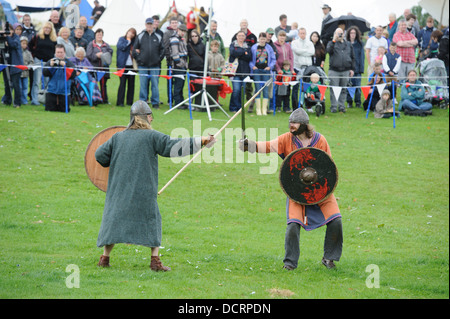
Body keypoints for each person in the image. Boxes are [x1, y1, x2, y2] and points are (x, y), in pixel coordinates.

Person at [95, 101, 216, 270]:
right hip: (143, 191)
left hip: (119, 190)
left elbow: (100, 155)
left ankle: (105, 258)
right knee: (152, 220)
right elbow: (174, 146)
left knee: (114, 220)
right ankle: (155, 261)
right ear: (146, 118)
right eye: (151, 116)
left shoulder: (118, 137)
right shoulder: (152, 137)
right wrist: (201, 140)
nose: (152, 120)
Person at [238, 107, 343, 270]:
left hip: (320, 189)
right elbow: (266, 146)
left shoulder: (320, 140)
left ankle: (329, 258)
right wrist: (248, 145)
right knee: (293, 225)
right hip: (296, 191)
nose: (291, 125)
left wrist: (326, 190)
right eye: (290, 122)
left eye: (294, 123)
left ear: (304, 125)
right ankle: (290, 263)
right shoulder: (286, 139)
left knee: (336, 220)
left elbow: (328, 167)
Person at [133, 18, 164, 108]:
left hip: (155, 66)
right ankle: (142, 103)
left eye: (151, 24)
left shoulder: (158, 36)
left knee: (155, 85)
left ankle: (155, 103)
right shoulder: (140, 36)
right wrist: (139, 59)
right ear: (145, 25)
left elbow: (163, 49)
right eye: (148, 24)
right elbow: (134, 50)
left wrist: (158, 59)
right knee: (143, 85)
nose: (149, 26)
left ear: (153, 25)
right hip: (143, 66)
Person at [29, 21, 57, 105]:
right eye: (46, 28)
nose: (47, 30)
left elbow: (55, 50)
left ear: (51, 29)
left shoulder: (54, 39)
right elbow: (30, 46)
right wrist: (34, 55)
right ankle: (35, 99)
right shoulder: (37, 37)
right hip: (38, 60)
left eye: (49, 28)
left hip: (48, 62)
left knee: (47, 81)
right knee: (36, 81)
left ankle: (45, 99)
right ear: (43, 28)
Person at [327, 28, 355, 113]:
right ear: (335, 34)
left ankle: (342, 106)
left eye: (341, 33)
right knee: (334, 89)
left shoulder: (349, 44)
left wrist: (352, 69)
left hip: (345, 70)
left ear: (344, 34)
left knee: (343, 89)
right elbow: (329, 51)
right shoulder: (331, 43)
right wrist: (334, 40)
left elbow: (353, 57)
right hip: (334, 70)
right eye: (338, 33)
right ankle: (334, 106)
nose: (340, 35)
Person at [43, 44, 76, 112]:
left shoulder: (69, 63)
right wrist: (51, 66)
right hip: (51, 91)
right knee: (49, 110)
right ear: (55, 53)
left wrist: (65, 66)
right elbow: (45, 73)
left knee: (64, 110)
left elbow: (73, 75)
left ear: (64, 53)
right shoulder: (50, 61)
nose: (59, 54)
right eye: (58, 52)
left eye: (61, 52)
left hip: (64, 92)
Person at [249, 32, 276, 116]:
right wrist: (252, 66)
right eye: (261, 39)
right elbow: (250, 59)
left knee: (265, 89)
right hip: (256, 70)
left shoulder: (269, 48)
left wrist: (270, 67)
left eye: (264, 39)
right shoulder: (254, 47)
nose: (262, 40)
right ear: (258, 39)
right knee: (257, 89)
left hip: (266, 71)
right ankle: (258, 109)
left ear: (266, 39)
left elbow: (273, 59)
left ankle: (264, 109)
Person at [86, 28, 113, 104]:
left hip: (104, 68)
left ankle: (104, 100)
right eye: (98, 34)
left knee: (103, 85)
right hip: (94, 68)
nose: (99, 36)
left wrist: (104, 55)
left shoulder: (106, 45)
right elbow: (88, 55)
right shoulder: (91, 44)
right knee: (94, 84)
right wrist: (96, 56)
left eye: (101, 34)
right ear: (95, 35)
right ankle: (95, 99)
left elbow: (110, 53)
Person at [291, 28, 314, 111]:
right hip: (297, 68)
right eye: (301, 33)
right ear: (298, 34)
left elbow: (312, 52)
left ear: (306, 33)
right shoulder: (294, 42)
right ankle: (295, 106)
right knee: (296, 88)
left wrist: (302, 52)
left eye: (304, 33)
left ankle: (308, 105)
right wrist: (306, 51)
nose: (302, 35)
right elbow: (296, 51)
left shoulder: (310, 43)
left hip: (308, 68)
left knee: (307, 88)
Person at [229, 30, 252, 112]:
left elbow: (249, 57)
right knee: (236, 90)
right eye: (239, 35)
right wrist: (243, 52)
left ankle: (239, 107)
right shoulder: (233, 45)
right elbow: (233, 53)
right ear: (236, 36)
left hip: (245, 72)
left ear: (245, 37)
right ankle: (233, 107)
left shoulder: (248, 46)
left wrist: (239, 53)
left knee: (242, 91)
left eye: (243, 36)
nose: (241, 37)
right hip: (235, 72)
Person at [1, 24, 23, 108]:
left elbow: (13, 44)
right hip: (6, 64)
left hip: (15, 65)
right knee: (7, 84)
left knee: (16, 84)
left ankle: (17, 103)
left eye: (9, 30)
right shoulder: (5, 38)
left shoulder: (16, 37)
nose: (7, 32)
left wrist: (7, 37)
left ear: (12, 30)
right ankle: (7, 100)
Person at [167, 24, 189, 108]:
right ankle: (177, 103)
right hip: (177, 66)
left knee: (181, 85)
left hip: (183, 66)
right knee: (178, 85)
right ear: (178, 30)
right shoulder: (174, 39)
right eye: (182, 31)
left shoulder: (182, 39)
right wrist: (180, 63)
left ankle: (181, 101)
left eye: (184, 31)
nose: (183, 33)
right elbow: (175, 54)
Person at [116, 28, 137, 107]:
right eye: (130, 32)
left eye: (133, 33)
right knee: (122, 84)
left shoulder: (134, 42)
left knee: (131, 84)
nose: (131, 34)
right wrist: (128, 41)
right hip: (122, 65)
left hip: (131, 66)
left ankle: (129, 102)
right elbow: (121, 47)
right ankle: (120, 102)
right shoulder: (122, 39)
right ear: (127, 32)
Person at [346, 26, 365, 108]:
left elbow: (362, 58)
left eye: (354, 33)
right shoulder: (346, 43)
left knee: (357, 87)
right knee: (349, 86)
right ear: (349, 34)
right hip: (348, 68)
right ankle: (349, 102)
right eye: (351, 33)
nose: (352, 34)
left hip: (357, 69)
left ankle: (358, 102)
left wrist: (361, 69)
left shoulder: (360, 44)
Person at [20, 36, 33, 105]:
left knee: (25, 87)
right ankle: (19, 99)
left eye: (25, 44)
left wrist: (28, 67)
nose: (24, 45)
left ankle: (24, 100)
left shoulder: (28, 53)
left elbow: (31, 61)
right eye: (22, 43)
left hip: (25, 73)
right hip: (19, 73)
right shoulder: (17, 52)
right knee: (19, 87)